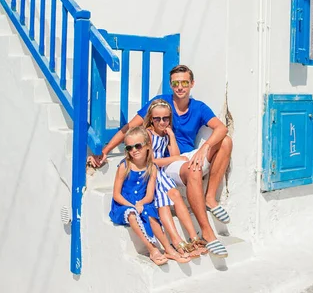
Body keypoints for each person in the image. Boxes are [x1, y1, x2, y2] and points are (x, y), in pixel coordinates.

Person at [91, 64, 233, 257]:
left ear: (192, 84)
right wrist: (106, 150)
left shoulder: (198, 107)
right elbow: (130, 127)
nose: (180, 87)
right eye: (176, 83)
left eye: (184, 82)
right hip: (173, 163)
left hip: (189, 155)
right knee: (192, 170)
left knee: (225, 141)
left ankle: (210, 198)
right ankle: (206, 233)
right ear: (170, 84)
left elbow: (221, 128)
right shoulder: (161, 105)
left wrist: (204, 149)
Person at [108, 126, 190, 265]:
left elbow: (150, 195)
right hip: (123, 205)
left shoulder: (151, 167)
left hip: (143, 202)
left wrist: (141, 203)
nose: (134, 150)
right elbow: (116, 195)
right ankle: (152, 249)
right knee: (132, 214)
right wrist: (132, 205)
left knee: (151, 214)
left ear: (147, 146)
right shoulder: (125, 166)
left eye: (138, 146)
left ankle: (168, 248)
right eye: (129, 148)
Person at [143, 99, 209, 258]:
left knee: (176, 195)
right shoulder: (149, 135)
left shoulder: (166, 133)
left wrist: (171, 136)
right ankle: (177, 241)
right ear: (151, 119)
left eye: (165, 118)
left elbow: (175, 154)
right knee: (164, 204)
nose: (161, 122)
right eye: (157, 119)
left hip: (162, 172)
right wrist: (175, 160)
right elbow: (149, 161)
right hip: (151, 173)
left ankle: (193, 238)